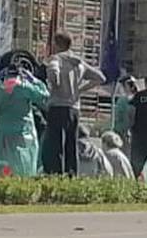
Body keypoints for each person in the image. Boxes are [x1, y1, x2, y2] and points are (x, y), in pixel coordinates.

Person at [43, 32, 106, 175]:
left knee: (55, 143)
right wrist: (80, 89)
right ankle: (72, 174)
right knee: (71, 143)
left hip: (57, 105)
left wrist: (54, 84)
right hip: (75, 108)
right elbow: (100, 78)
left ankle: (56, 175)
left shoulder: (56, 59)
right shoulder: (79, 62)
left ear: (57, 44)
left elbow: (53, 74)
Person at [0, 57, 49, 177]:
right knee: (24, 158)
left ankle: (4, 178)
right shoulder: (25, 86)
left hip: (2, 127)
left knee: (2, 158)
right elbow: (44, 95)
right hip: (24, 128)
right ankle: (22, 181)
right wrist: (33, 79)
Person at [112, 76, 138, 154]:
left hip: (121, 132)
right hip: (134, 133)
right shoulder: (138, 99)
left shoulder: (123, 100)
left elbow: (117, 117)